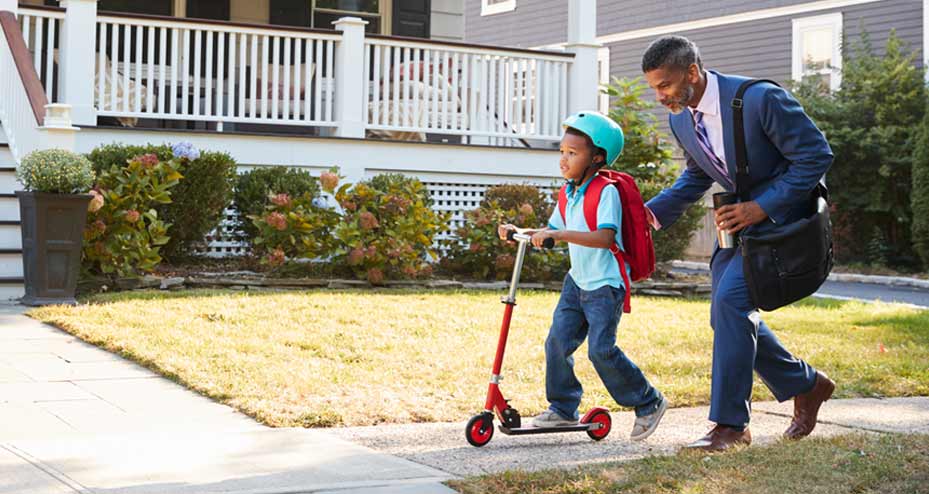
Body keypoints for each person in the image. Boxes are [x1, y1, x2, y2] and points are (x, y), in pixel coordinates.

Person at [640, 35, 836, 451]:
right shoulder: (680, 118)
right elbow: (697, 174)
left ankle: (731, 426)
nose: (659, 97)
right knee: (726, 312)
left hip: (786, 221)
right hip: (742, 227)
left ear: (692, 72)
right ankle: (806, 383)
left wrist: (761, 207)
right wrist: (648, 214)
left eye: (665, 85)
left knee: (730, 303)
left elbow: (816, 156)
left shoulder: (761, 99)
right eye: (654, 88)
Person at [498, 111, 668, 441]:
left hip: (605, 285)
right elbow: (555, 229)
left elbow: (605, 237)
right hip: (577, 282)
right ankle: (563, 409)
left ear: (597, 158)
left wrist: (560, 236)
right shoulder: (569, 192)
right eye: (561, 151)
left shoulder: (606, 191)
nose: (563, 160)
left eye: (572, 154)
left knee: (601, 351)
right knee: (557, 342)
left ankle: (649, 402)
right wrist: (523, 231)